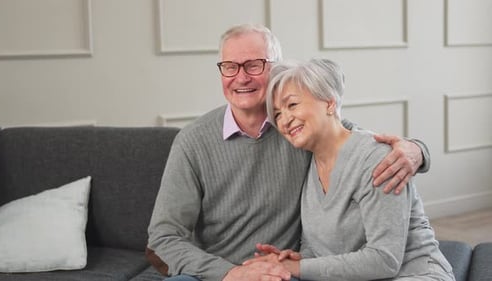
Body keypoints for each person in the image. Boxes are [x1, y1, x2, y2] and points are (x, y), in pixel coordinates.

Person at [147, 24, 430, 281]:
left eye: (254, 65)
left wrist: (417, 150)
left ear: (275, 69)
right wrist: (231, 273)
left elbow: (353, 140)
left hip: (279, 272)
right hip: (213, 274)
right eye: (230, 66)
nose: (241, 77)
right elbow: (163, 238)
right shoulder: (192, 142)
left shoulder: (300, 131)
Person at [243, 58, 454, 280]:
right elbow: (316, 246)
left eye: (292, 105)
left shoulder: (376, 159)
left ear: (329, 103)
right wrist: (297, 259)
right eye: (277, 114)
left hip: (415, 274)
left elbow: (385, 259)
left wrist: (297, 268)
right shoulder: (309, 164)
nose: (284, 119)